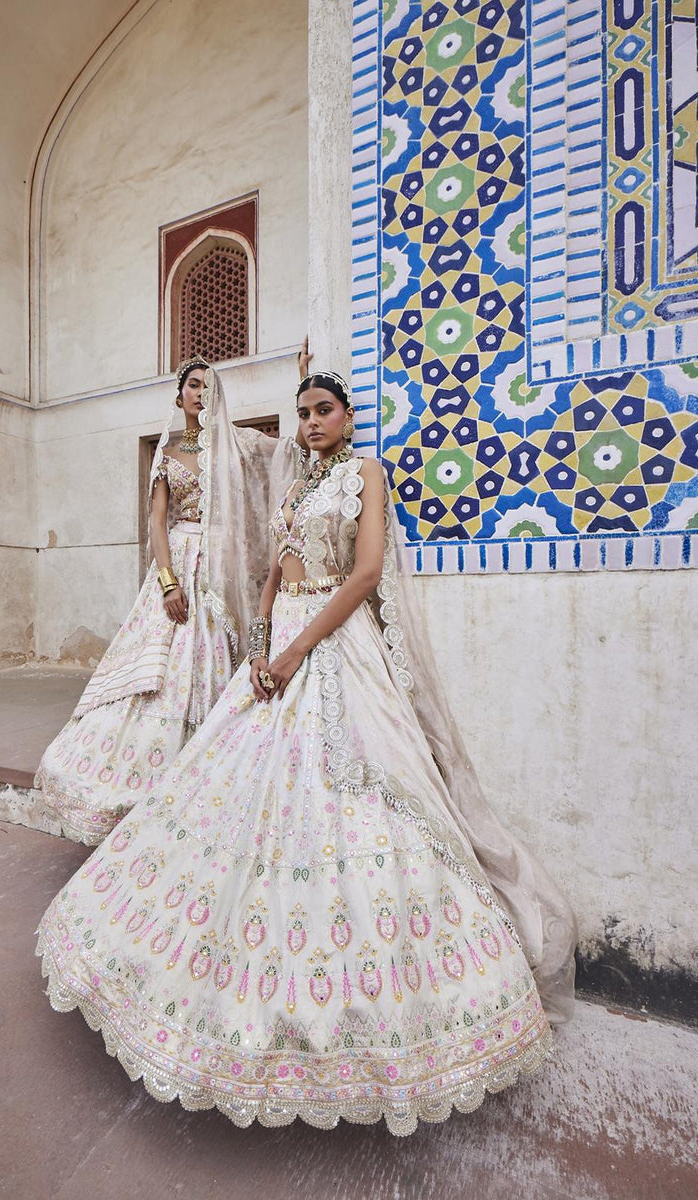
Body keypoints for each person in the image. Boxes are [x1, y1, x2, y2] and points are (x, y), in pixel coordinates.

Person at [37, 371, 576, 1135]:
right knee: (221, 798)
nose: (312, 422)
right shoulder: (296, 483)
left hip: (332, 650)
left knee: (354, 800)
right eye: (303, 413)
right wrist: (259, 644)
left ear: (349, 417)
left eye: (323, 410)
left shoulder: (365, 475)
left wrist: (295, 649)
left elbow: (363, 575)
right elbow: (267, 576)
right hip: (274, 652)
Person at [35, 357, 307, 845]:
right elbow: (157, 522)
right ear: (178, 395)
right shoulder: (167, 454)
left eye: (208, 386)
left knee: (214, 659)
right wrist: (167, 581)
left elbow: (288, 451)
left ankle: (209, 779)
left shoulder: (236, 444)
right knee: (160, 669)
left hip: (220, 570)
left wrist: (304, 378)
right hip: (180, 564)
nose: (201, 393)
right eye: (193, 385)